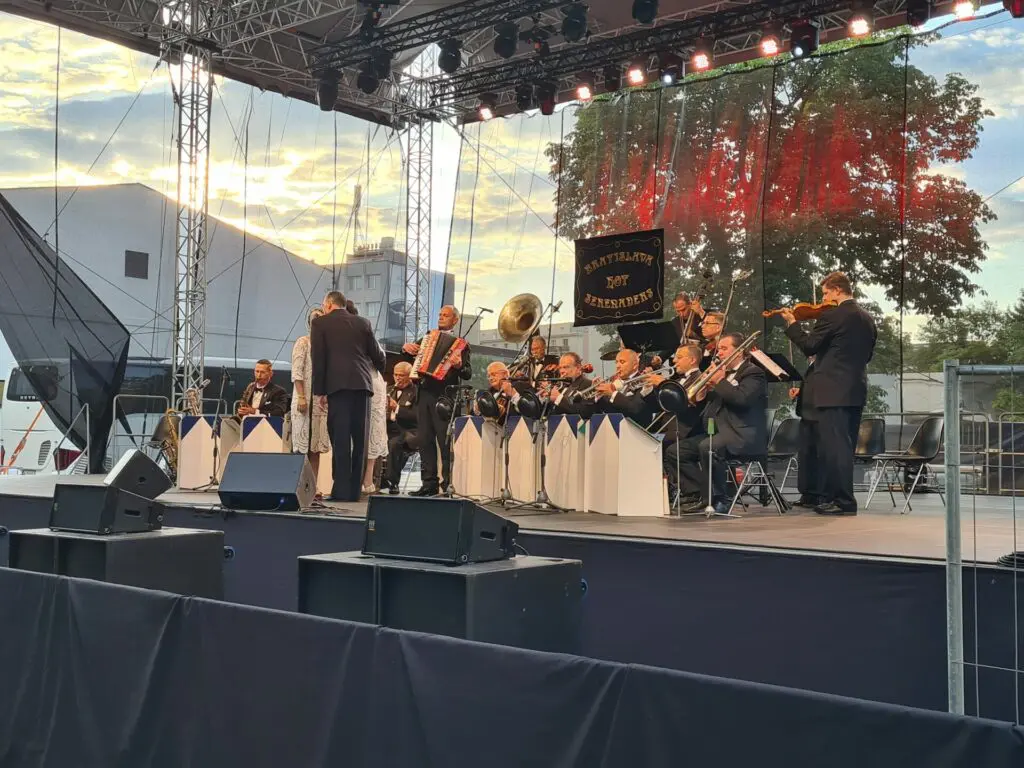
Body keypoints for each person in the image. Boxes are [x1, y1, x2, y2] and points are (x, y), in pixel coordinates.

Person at [782, 271, 876, 516]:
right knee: (843, 447)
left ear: (836, 290)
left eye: (825, 293)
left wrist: (793, 325)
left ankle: (843, 501)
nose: (823, 299)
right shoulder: (867, 318)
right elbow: (867, 356)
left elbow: (810, 345)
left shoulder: (834, 315)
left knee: (834, 449)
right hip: (854, 389)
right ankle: (830, 496)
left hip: (832, 392)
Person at [676, 332, 768, 514]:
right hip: (717, 431)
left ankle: (720, 499)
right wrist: (703, 392)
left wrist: (719, 380)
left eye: (724, 349)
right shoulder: (723, 373)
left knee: (708, 447)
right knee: (677, 451)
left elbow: (742, 399)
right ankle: (698, 494)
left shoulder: (753, 373)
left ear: (739, 351)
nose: (719, 353)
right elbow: (711, 400)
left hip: (741, 434)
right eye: (719, 349)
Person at [311, 290, 385, 502]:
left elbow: (319, 358)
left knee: (340, 438)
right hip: (362, 386)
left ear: (328, 304)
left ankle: (340, 491)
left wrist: (320, 392)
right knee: (360, 439)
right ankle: (354, 492)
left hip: (338, 387)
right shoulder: (363, 323)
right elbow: (377, 354)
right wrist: (378, 370)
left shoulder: (320, 323)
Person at [401, 305, 472, 496]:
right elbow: (409, 354)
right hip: (424, 393)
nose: (441, 317)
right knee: (424, 439)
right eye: (440, 314)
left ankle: (448, 483)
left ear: (455, 320)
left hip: (445, 398)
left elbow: (467, 373)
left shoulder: (461, 345)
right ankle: (428, 483)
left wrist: (459, 365)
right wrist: (405, 348)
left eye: (445, 315)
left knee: (444, 441)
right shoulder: (427, 337)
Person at [344, 300, 388, 495]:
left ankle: (368, 478)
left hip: (370, 381)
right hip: (347, 384)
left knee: (372, 430)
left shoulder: (362, 331)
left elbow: (380, 358)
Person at [290, 308, 330, 497]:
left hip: (320, 402)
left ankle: (313, 487)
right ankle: (299, 487)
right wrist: (301, 396)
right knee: (302, 447)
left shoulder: (328, 346)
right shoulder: (303, 342)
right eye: (315, 318)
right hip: (304, 398)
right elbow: (297, 371)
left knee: (315, 448)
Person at [789, 358, 823, 509]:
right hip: (806, 415)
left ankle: (819, 494)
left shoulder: (824, 363)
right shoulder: (811, 365)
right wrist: (801, 392)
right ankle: (808, 494)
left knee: (817, 457)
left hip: (818, 416)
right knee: (805, 457)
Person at [383, 362, 418, 494]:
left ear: (410, 376)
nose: (398, 378)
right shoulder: (388, 390)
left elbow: (416, 416)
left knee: (394, 444)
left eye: (401, 375)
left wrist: (396, 408)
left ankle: (392, 482)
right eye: (395, 375)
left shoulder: (417, 392)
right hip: (387, 428)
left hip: (407, 429)